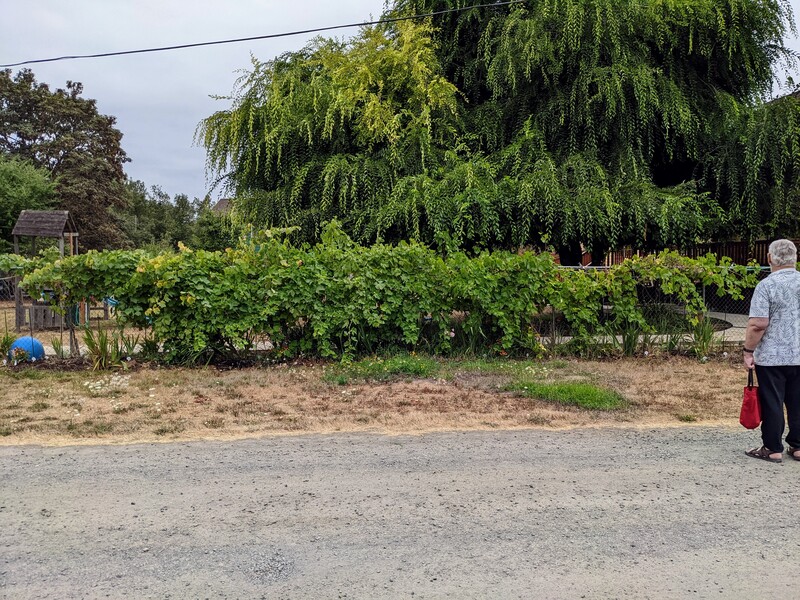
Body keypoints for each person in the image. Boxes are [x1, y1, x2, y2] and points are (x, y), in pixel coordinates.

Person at [743, 239, 800, 463]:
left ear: (769, 258)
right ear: (795, 257)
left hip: (772, 356)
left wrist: (748, 351)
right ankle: (797, 446)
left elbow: (758, 324)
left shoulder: (766, 286)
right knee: (798, 401)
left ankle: (772, 447)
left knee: (772, 401)